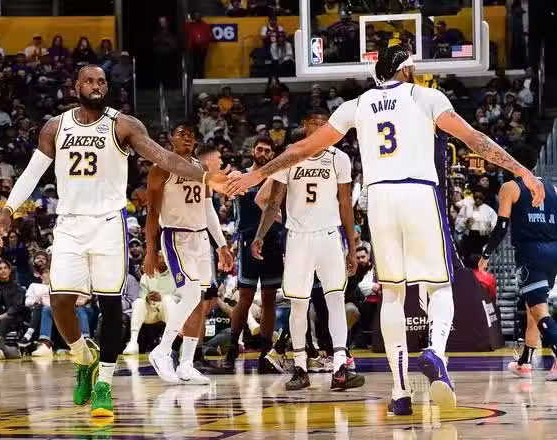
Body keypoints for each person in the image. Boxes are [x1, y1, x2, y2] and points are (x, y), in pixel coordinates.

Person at [226, 45, 544, 415]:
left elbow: (301, 148)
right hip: (418, 192)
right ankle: (435, 351)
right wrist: (522, 171)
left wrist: (255, 176)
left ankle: (400, 391)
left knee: (392, 294)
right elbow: (474, 139)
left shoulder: (357, 105)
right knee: (440, 287)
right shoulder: (426, 96)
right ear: (406, 69)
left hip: (378, 199)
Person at [0, 65, 229, 418]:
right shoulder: (55, 127)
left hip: (108, 223)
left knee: (111, 305)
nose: (96, 86)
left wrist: (206, 177)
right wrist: (8, 210)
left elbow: (164, 157)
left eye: (101, 81)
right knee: (59, 301)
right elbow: (32, 172)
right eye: (89, 80)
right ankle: (82, 358)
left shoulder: (124, 125)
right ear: (76, 86)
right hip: (69, 223)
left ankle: (103, 383)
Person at [252, 108, 364, 391]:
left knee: (336, 299)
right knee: (299, 304)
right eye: (313, 123)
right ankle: (300, 367)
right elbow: (273, 200)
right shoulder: (290, 155)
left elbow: (345, 204)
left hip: (329, 236)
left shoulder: (339, 158)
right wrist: (260, 234)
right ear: (305, 125)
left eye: (324, 123)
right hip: (298, 238)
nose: (319, 127)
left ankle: (340, 366)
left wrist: (352, 248)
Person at [144, 122, 233, 384]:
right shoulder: (161, 167)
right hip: (176, 237)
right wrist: (150, 250)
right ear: (171, 138)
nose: (187, 138)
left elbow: (208, 210)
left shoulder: (201, 169)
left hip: (201, 238)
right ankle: (161, 351)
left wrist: (222, 245)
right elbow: (152, 212)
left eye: (191, 135)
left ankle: (186, 363)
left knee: (199, 301)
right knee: (192, 293)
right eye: (181, 134)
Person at [478, 148, 557, 381]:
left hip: (531, 251)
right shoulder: (552, 188)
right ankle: (525, 362)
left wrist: (486, 254)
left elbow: (502, 226)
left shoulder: (511, 187)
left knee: (538, 310)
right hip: (552, 251)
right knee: (534, 308)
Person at [222, 136, 284, 373]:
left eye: (267, 151)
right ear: (252, 151)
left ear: (272, 154)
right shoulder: (240, 176)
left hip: (272, 241)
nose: (263, 153)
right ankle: (232, 350)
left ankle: (265, 355)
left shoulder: (276, 177)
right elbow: (227, 194)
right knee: (245, 297)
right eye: (260, 149)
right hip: (248, 240)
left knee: (269, 299)